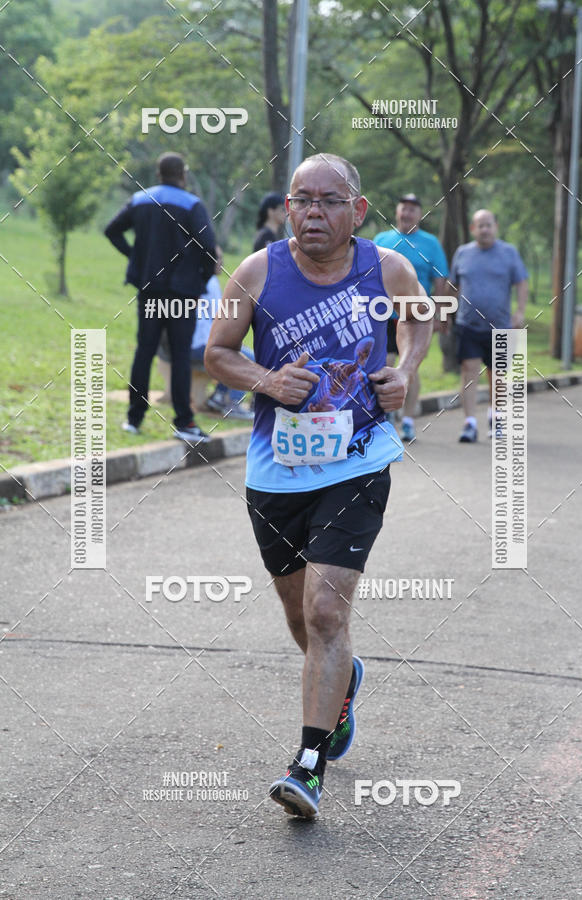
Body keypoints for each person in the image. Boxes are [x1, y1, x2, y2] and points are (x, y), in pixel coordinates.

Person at [205, 153, 432, 818]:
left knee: (327, 613)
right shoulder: (256, 271)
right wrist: (267, 381)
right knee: (300, 619)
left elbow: (419, 318)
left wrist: (407, 369)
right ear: (286, 206)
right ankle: (344, 681)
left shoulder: (386, 268)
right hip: (277, 470)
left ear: (357, 212)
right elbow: (218, 353)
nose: (312, 213)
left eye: (329, 201)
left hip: (359, 459)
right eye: (301, 200)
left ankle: (308, 763)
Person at [104, 152, 217, 444]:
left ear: (158, 173)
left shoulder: (141, 199)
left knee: (145, 351)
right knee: (180, 356)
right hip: (183, 295)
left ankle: (134, 418)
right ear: (183, 173)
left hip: (150, 291)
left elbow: (111, 230)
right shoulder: (192, 204)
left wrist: (137, 261)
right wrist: (202, 280)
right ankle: (184, 422)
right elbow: (208, 248)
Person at [448, 209, 528, 443]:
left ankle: (496, 419)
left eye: (488, 225)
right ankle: (470, 423)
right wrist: (445, 313)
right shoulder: (463, 253)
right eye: (479, 225)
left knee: (498, 376)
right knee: (469, 372)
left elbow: (522, 282)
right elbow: (453, 286)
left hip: (501, 326)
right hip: (468, 325)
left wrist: (520, 311)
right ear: (473, 229)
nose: (484, 229)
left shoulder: (509, 253)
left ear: (496, 226)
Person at [373, 193, 448, 441]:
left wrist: (438, 314)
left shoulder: (430, 243)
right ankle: (385, 417)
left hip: (416, 313)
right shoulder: (382, 240)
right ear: (397, 212)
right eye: (403, 209)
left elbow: (440, 280)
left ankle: (407, 420)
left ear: (420, 215)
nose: (406, 214)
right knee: (384, 361)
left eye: (412, 210)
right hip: (383, 312)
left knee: (409, 366)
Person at [191, 272, 255, 421]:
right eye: (218, 258)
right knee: (246, 358)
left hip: (189, 342)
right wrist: (231, 342)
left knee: (235, 353)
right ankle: (233, 404)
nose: (221, 262)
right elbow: (219, 316)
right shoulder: (210, 280)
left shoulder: (193, 275)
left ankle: (219, 396)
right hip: (199, 344)